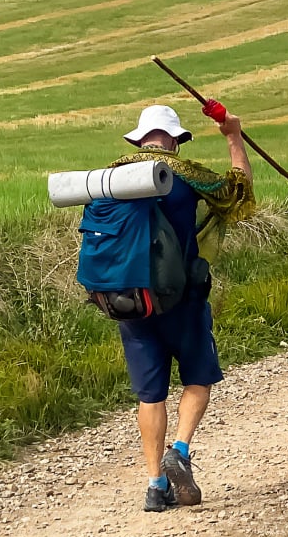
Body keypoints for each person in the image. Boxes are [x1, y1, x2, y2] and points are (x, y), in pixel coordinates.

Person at [108, 102, 254, 512]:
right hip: (183, 302)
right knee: (197, 377)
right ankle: (181, 451)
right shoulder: (186, 176)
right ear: (175, 140)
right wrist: (233, 136)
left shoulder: (110, 178)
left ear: (138, 141)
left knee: (150, 395)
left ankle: (156, 487)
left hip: (131, 303)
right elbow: (238, 190)